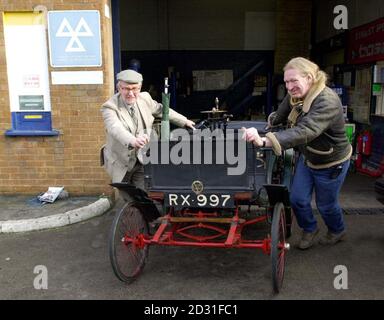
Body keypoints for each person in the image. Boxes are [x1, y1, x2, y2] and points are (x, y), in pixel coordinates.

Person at [242, 57, 352, 249]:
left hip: (331, 162)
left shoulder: (327, 100)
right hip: (308, 158)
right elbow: (282, 112)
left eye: (293, 81)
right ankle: (310, 229)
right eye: (286, 82)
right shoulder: (296, 95)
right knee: (297, 199)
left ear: (309, 77)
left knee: (326, 205)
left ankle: (337, 230)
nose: (289, 86)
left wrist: (267, 140)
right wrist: (270, 124)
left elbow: (306, 130)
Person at [100, 69, 195, 190]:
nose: (131, 93)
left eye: (134, 89)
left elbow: (162, 110)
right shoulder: (109, 107)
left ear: (139, 88)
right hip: (120, 162)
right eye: (126, 89)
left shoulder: (145, 98)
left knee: (144, 196)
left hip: (141, 160)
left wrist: (184, 121)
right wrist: (133, 141)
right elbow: (115, 128)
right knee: (127, 198)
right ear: (119, 88)